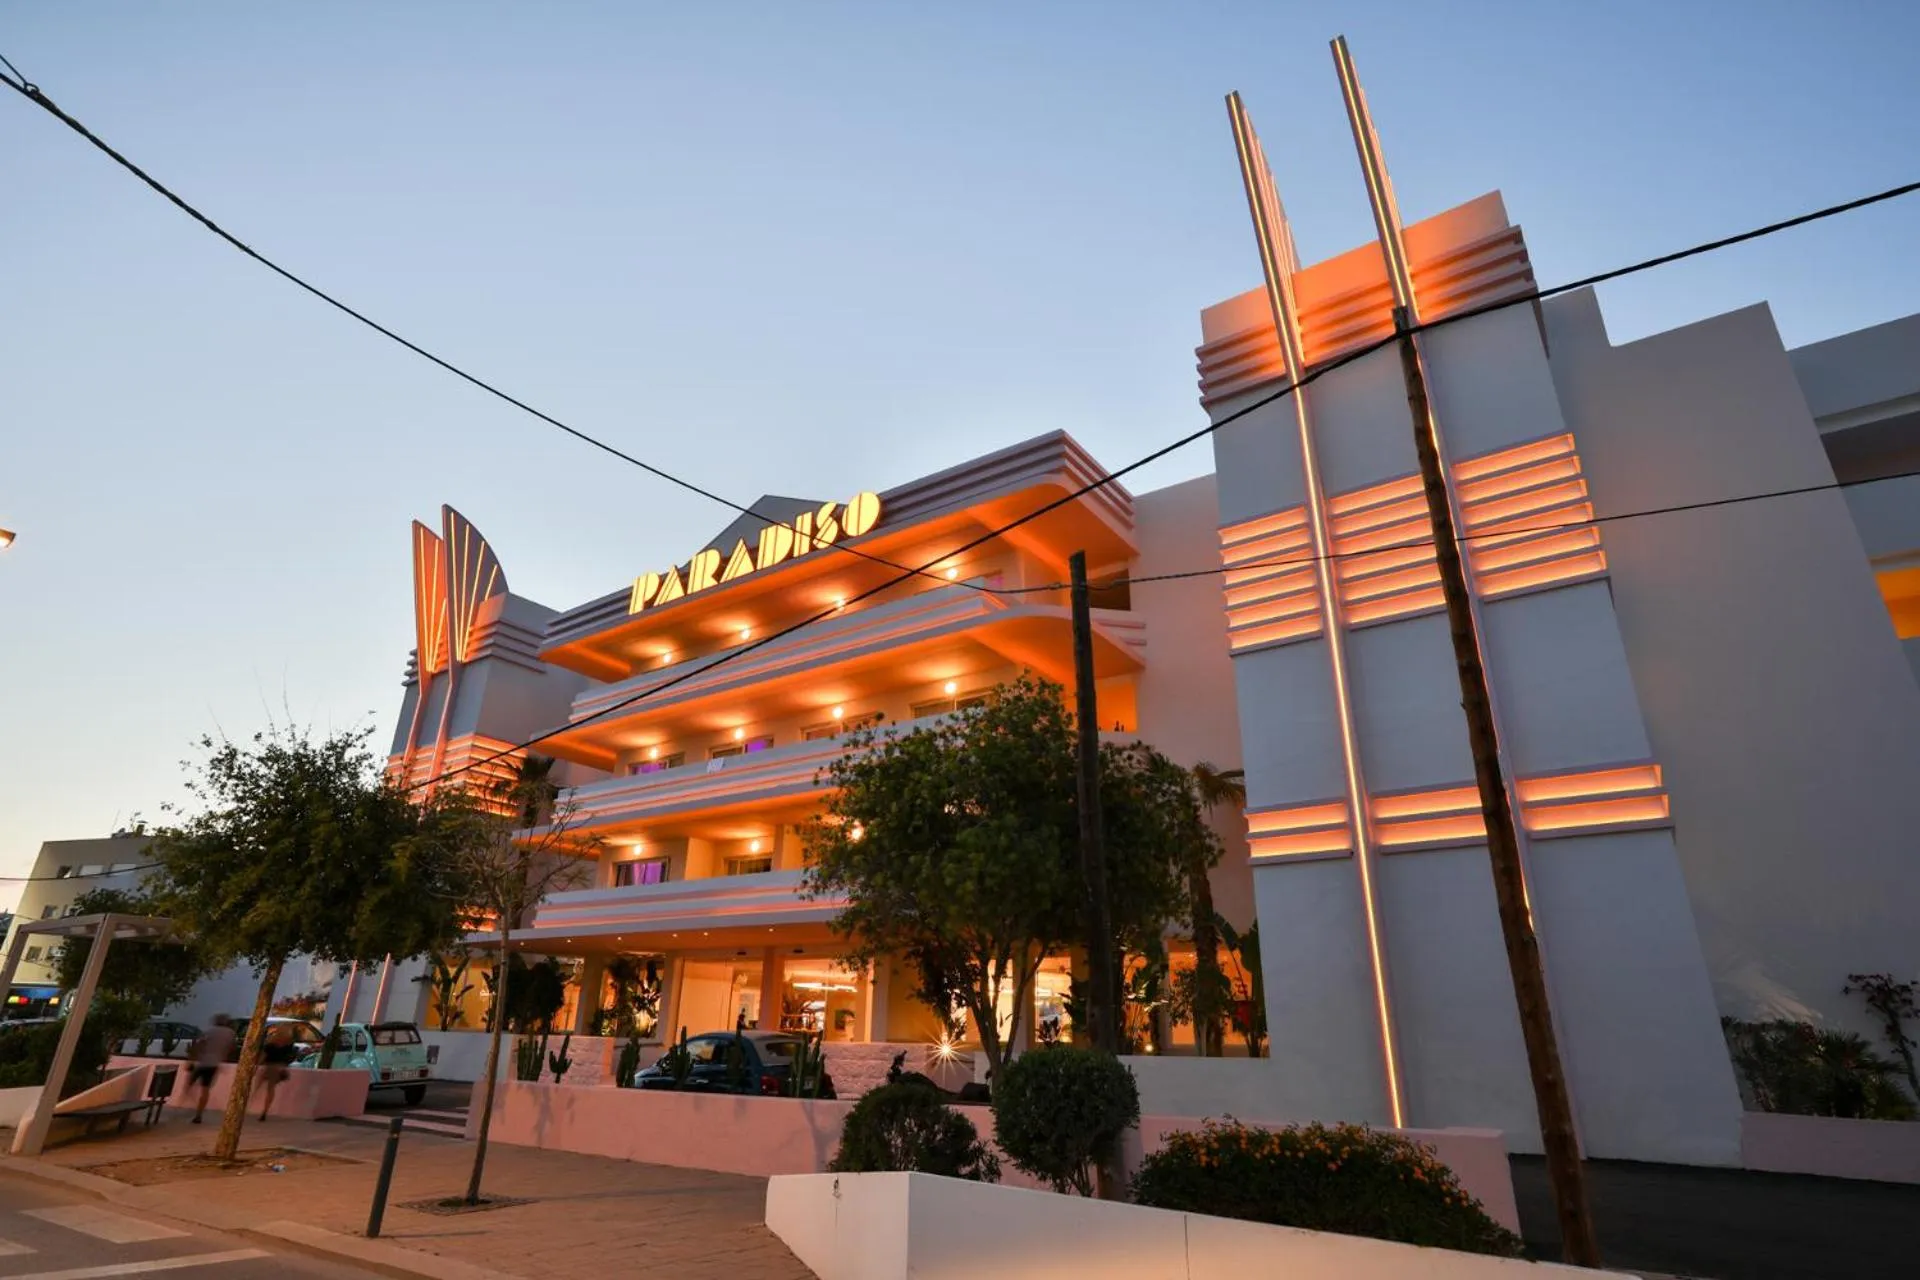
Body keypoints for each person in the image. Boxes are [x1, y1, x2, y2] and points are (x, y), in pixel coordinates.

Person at [187, 1014, 235, 1125]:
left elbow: (200, 1045)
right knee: (205, 1090)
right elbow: (231, 1048)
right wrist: (223, 1057)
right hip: (214, 1064)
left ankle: (192, 1105)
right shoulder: (230, 1033)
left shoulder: (210, 1031)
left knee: (189, 1086)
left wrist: (192, 1058)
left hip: (203, 1062)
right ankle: (199, 1114)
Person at [257, 1022, 296, 1120]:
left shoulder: (271, 1042)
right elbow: (289, 1057)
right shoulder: (289, 1044)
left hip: (270, 1067)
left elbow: (264, 1055)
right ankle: (265, 1111)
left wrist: (257, 1065)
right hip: (280, 1067)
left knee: (258, 1086)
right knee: (270, 1090)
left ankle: (250, 1103)